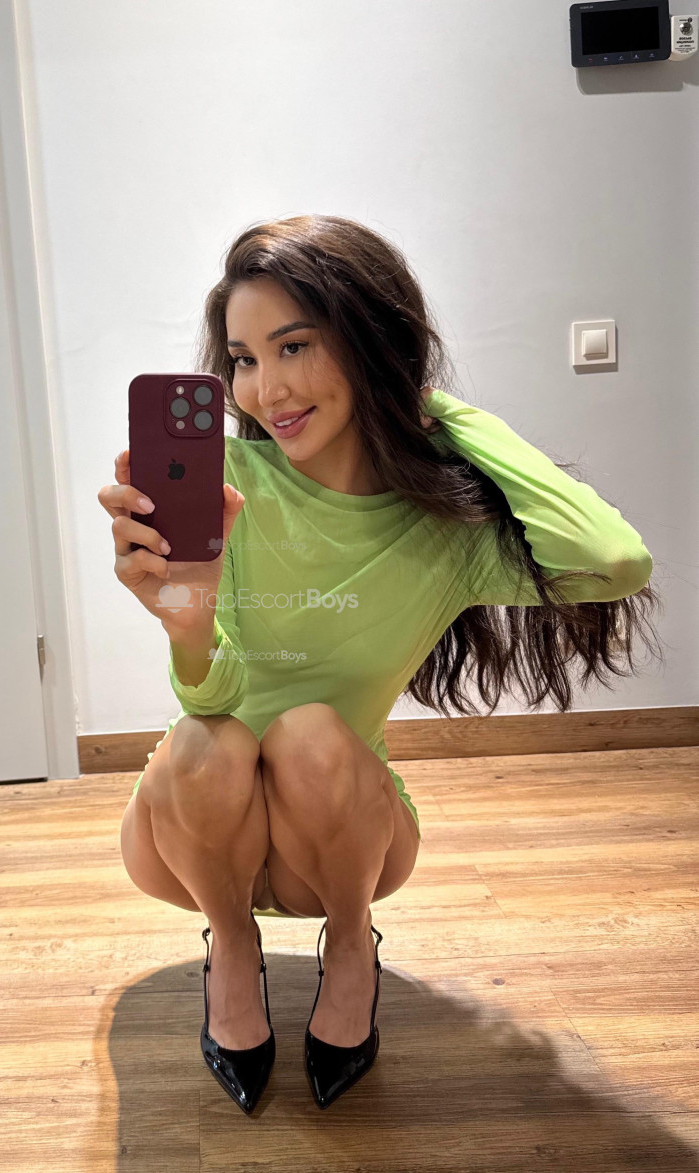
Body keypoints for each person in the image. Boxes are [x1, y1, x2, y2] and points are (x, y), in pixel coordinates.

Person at [97, 214, 660, 1114]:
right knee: (208, 738)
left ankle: (352, 944)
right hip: (196, 837)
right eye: (243, 359)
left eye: (294, 346)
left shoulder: (439, 528)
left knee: (313, 735)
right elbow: (217, 693)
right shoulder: (229, 483)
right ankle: (231, 947)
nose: (267, 388)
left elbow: (614, 560)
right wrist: (188, 628)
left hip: (344, 840)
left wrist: (440, 410)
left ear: (370, 342)